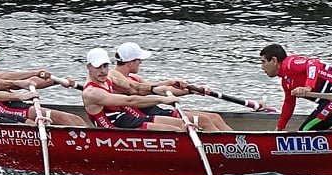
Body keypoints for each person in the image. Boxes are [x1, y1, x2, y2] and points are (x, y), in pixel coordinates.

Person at [81, 48, 228, 133]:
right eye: (98, 67)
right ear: (88, 67)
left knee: (186, 125)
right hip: (114, 127)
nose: (103, 71)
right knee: (179, 129)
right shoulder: (93, 92)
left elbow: (142, 89)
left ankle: (228, 145)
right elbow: (130, 99)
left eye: (105, 66)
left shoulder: (109, 78)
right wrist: (163, 99)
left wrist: (191, 90)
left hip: (128, 118)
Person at [0, 39, 82, 125]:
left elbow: (30, 83)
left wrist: (59, 81)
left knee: (74, 119)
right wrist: (34, 72)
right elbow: (3, 77)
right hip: (5, 109)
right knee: (71, 120)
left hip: (13, 106)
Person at [260, 42, 332, 132]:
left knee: (306, 130)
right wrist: (279, 128)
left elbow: (313, 63)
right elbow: (289, 104)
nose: (262, 67)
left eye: (263, 62)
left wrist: (308, 87)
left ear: (274, 60)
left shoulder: (289, 63)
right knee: (311, 129)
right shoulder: (286, 82)